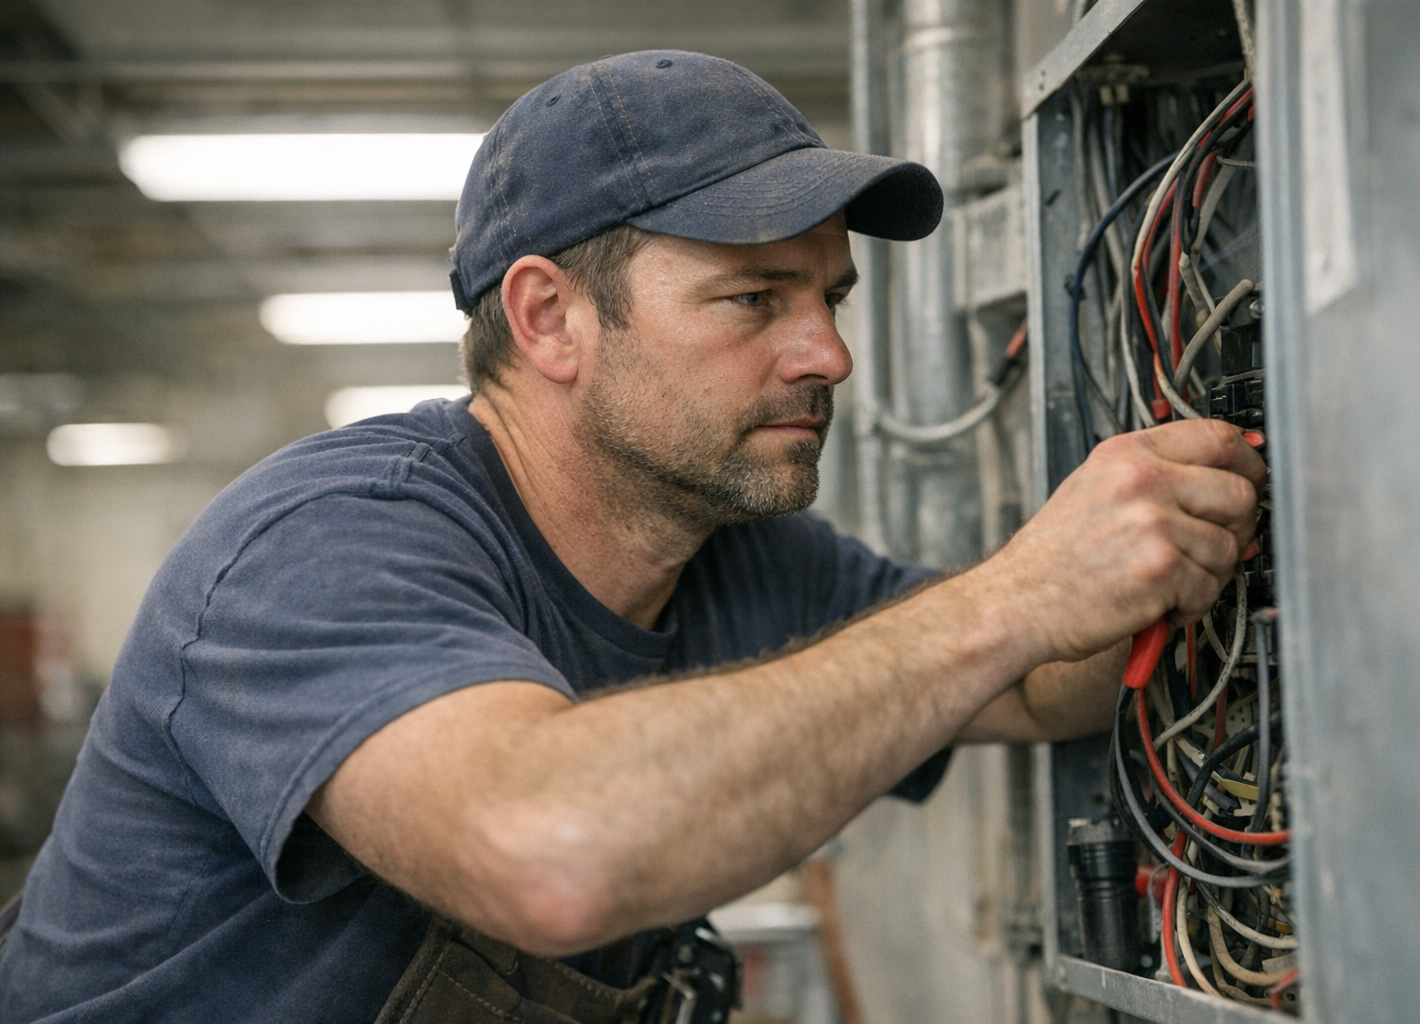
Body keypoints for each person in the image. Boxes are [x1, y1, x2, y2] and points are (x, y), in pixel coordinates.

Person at [0, 51, 1264, 1024]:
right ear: (549, 319)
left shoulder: (736, 554)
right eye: (752, 298)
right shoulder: (325, 546)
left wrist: (1161, 546)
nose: (828, 353)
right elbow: (549, 855)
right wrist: (1013, 596)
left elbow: (1035, 683)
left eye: (828, 296)